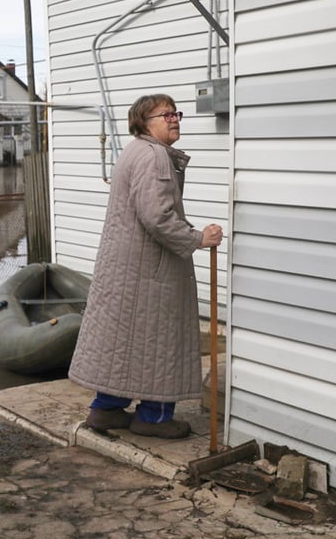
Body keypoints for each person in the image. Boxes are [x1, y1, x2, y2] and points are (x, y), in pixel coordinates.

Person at [68, 94, 224, 439]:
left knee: (125, 342)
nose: (174, 119)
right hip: (151, 271)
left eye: (175, 113)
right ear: (143, 122)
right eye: (165, 115)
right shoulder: (154, 156)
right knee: (160, 340)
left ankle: (105, 410)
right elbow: (157, 216)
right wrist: (199, 238)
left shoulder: (134, 151)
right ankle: (154, 418)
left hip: (127, 269)